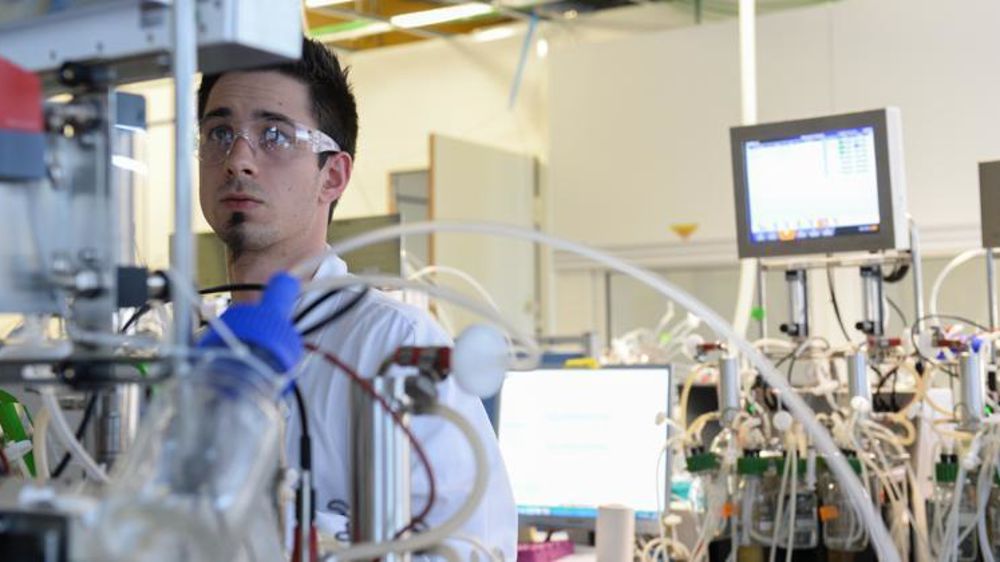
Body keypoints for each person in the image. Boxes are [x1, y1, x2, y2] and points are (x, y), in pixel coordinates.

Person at [196, 37, 517, 560]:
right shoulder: (189, 349)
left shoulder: (395, 346)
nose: (238, 160)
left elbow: (477, 547)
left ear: (333, 175)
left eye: (274, 135)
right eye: (220, 133)